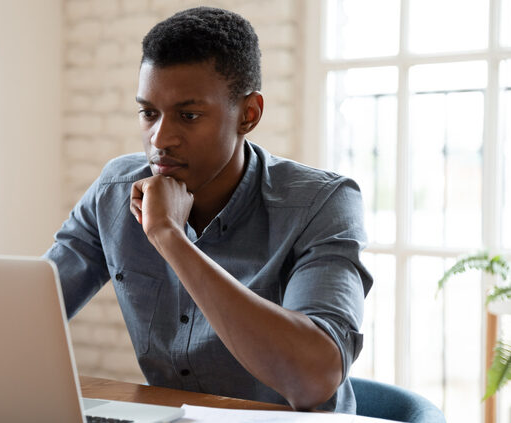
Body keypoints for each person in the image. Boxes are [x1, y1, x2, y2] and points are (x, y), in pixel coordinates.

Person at [44, 6, 372, 413]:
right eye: (149, 113)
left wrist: (171, 239)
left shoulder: (322, 204)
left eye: (189, 115)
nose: (160, 139)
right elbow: (30, 311)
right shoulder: (114, 191)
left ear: (248, 114)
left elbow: (312, 379)